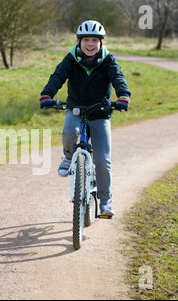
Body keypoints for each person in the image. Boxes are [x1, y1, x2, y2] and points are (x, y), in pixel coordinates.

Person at [39, 20, 131, 216]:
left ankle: (105, 202)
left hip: (100, 112)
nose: (90, 44)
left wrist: (123, 95)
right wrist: (47, 94)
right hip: (75, 108)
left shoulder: (108, 60)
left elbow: (118, 77)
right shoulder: (71, 59)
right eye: (86, 40)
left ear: (101, 42)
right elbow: (58, 76)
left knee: (103, 160)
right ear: (79, 42)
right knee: (70, 131)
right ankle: (68, 156)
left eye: (95, 40)